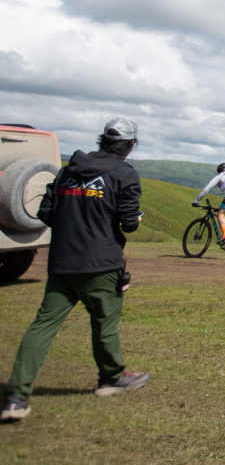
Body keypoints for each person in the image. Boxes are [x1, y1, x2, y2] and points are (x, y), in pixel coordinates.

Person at [2, 118, 150, 423]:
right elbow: (130, 223)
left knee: (42, 325)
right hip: (102, 263)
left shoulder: (67, 171)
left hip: (62, 262)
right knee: (104, 322)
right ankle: (111, 377)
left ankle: (16, 397)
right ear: (130, 145)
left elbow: (45, 213)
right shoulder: (125, 174)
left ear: (102, 141)